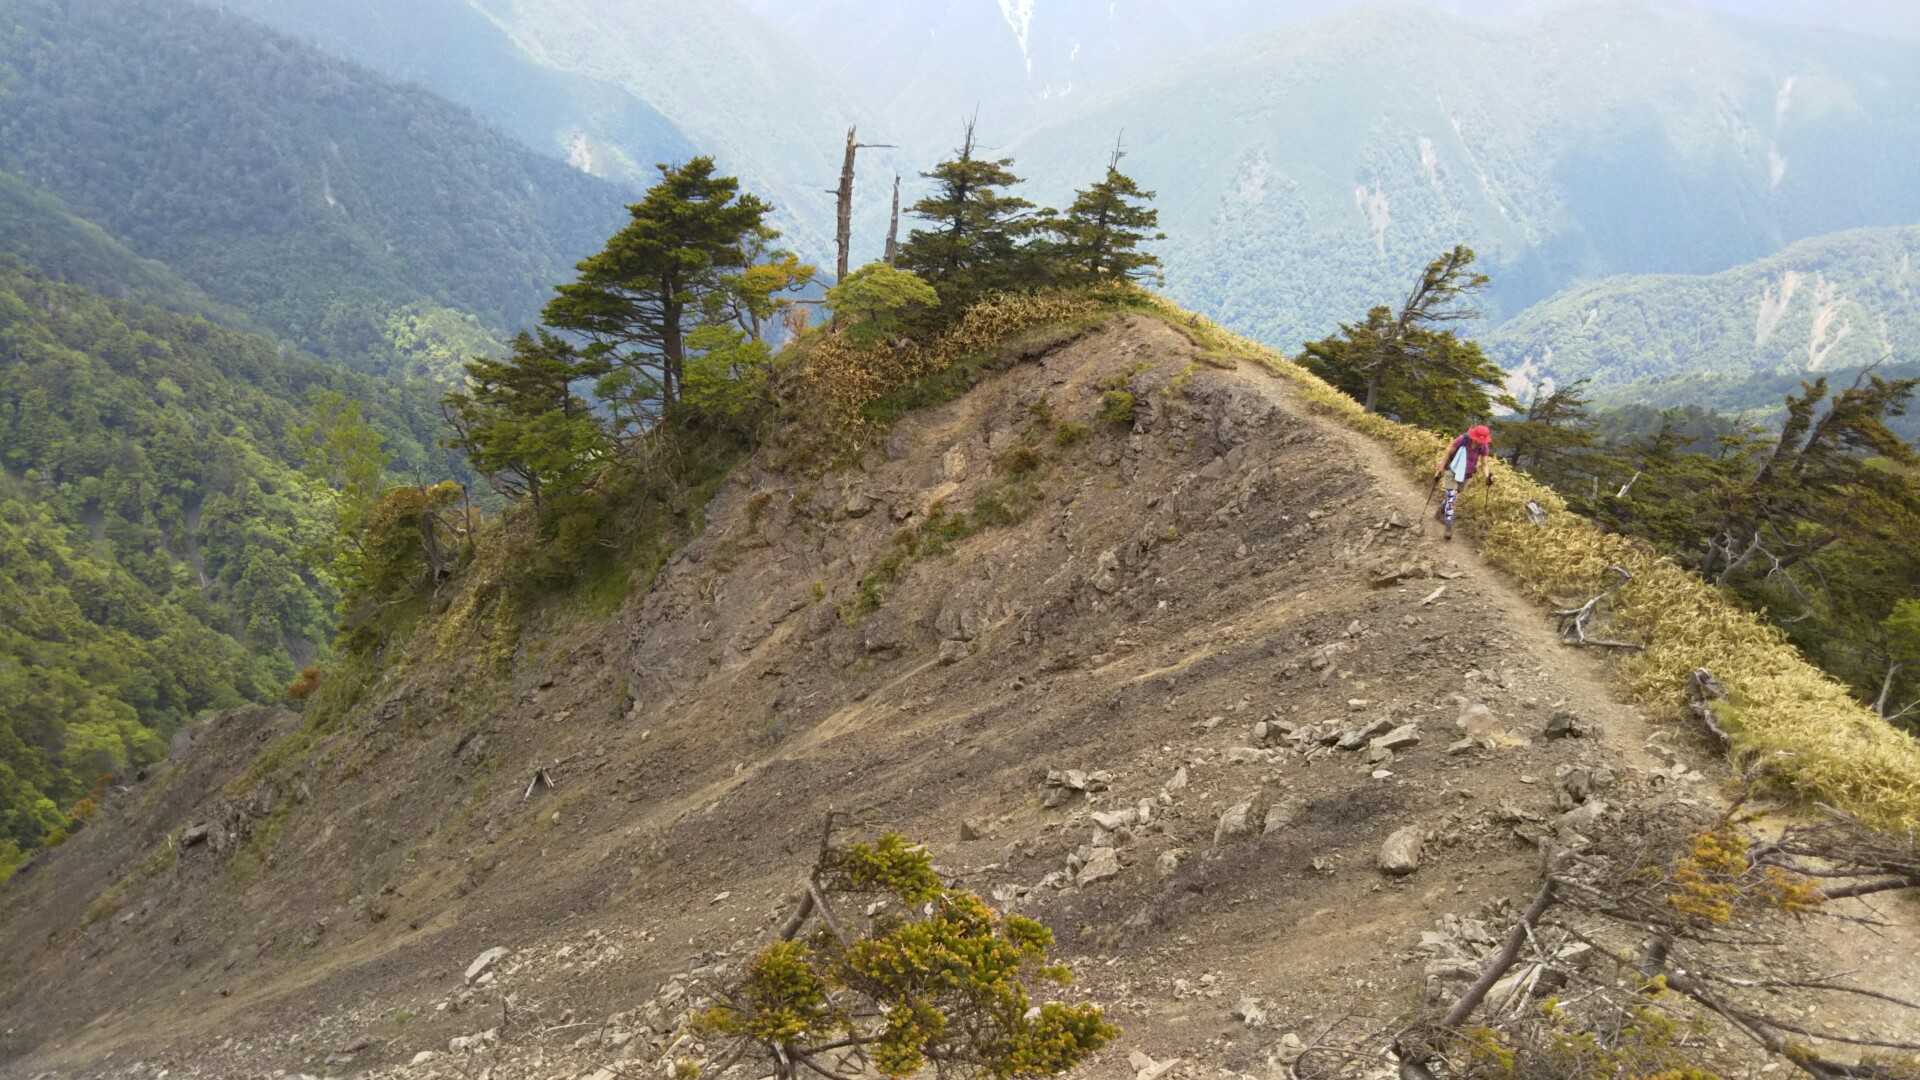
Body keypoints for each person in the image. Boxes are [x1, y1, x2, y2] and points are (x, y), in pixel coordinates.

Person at [1431, 424, 1493, 540]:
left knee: (1453, 496)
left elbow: (1484, 464)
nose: (1479, 441)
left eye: (1482, 440)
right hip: (1452, 471)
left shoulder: (1483, 446)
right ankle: (1448, 527)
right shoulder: (1463, 439)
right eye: (1478, 439)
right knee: (1452, 499)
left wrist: (1487, 476)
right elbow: (1449, 452)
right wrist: (1441, 467)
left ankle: (1439, 512)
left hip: (1467, 475)